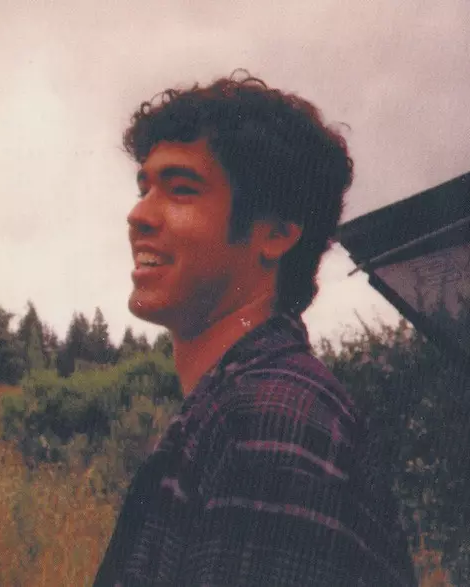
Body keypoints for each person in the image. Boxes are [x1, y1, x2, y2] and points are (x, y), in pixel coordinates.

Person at [93, 70, 417, 586]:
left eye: (181, 190)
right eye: (144, 188)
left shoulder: (270, 421)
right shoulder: (239, 406)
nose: (138, 215)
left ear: (276, 235)